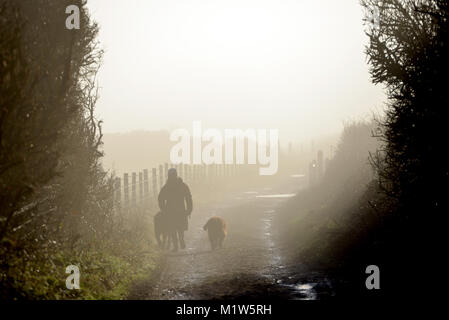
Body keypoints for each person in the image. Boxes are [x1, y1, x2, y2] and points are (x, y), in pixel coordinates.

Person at [158, 168, 192, 252]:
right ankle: (179, 242)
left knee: (173, 228)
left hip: (171, 211)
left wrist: (163, 209)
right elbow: (188, 198)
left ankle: (178, 243)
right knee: (177, 227)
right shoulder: (182, 185)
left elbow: (160, 198)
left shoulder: (167, 186)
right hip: (178, 210)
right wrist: (189, 209)